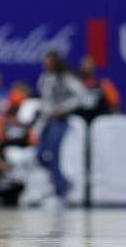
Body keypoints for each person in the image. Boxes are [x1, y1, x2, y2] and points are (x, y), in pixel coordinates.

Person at [37, 50, 86, 203]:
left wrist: (63, 108)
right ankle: (63, 182)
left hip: (59, 120)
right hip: (46, 119)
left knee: (53, 153)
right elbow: (44, 99)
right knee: (40, 155)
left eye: (48, 60)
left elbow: (81, 96)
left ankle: (60, 191)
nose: (45, 63)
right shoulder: (44, 77)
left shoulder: (65, 77)